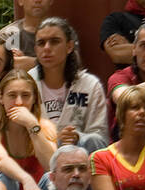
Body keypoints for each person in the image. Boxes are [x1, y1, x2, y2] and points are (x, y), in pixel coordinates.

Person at [0, 68, 57, 190]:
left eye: (26, 95)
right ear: (1, 98)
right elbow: (0, 159)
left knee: (50, 179)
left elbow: (52, 166)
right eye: (12, 95)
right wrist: (25, 178)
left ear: (34, 98)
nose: (19, 102)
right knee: (6, 179)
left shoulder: (43, 128)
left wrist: (32, 125)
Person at [28, 18, 108, 156]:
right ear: (36, 50)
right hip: (36, 158)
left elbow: (101, 139)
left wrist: (78, 138)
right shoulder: (27, 82)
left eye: (54, 41)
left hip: (78, 162)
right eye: (41, 43)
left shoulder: (90, 85)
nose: (47, 48)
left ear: (69, 46)